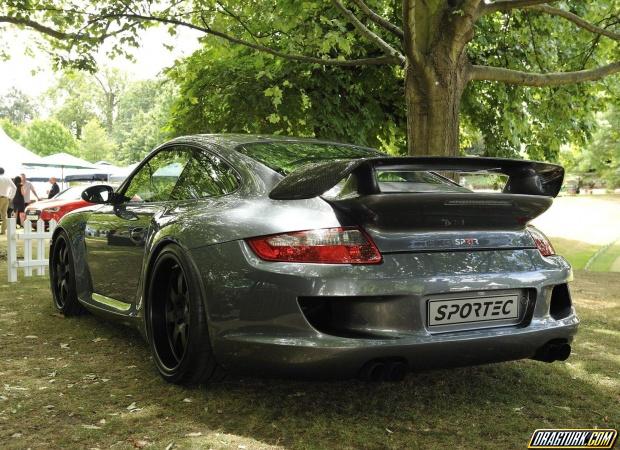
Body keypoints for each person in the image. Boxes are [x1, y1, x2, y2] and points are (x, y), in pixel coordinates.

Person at [0, 167, 17, 235]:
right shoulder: (7, 178)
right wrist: (11, 197)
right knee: (4, 215)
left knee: (4, 215)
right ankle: (3, 231)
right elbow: (14, 188)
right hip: (6, 198)